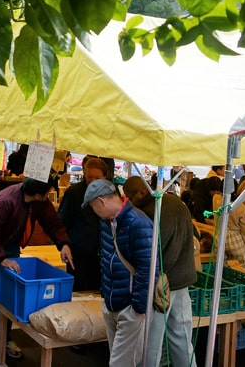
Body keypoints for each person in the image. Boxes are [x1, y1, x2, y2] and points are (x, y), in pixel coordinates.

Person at [0, 176, 73, 360]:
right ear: (39, 193)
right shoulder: (5, 201)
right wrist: (2, 259)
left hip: (10, 244)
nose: (49, 196)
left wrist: (63, 243)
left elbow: (51, 221)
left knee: (9, 294)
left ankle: (2, 339)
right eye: (48, 193)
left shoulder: (38, 201)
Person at [121, 176, 197, 367]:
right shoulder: (175, 202)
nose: (128, 201)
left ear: (141, 192)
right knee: (182, 339)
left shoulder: (149, 212)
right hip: (183, 280)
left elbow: (148, 255)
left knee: (150, 344)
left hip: (160, 286)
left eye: (129, 196)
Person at [82, 178, 156, 367]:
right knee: (121, 361)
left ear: (101, 202)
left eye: (93, 207)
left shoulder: (139, 223)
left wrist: (138, 308)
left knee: (119, 363)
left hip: (130, 307)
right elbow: (107, 258)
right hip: (112, 303)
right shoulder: (107, 221)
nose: (94, 212)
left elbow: (147, 269)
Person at [58, 156, 109, 291]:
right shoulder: (74, 193)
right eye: (89, 177)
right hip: (77, 253)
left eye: (97, 178)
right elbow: (62, 222)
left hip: (102, 254)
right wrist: (64, 245)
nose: (93, 181)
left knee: (98, 292)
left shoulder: (109, 193)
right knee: (77, 291)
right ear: (84, 174)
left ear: (105, 176)